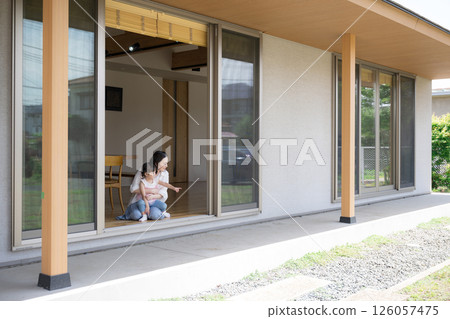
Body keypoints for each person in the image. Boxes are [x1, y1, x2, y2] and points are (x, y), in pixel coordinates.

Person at [116, 151, 181, 221]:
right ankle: (144, 213)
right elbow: (133, 189)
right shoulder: (144, 171)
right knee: (136, 215)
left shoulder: (165, 174)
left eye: (167, 163)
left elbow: (163, 192)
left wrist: (153, 196)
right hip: (140, 202)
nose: (167, 166)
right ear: (156, 163)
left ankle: (150, 213)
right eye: (164, 163)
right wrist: (150, 191)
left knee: (155, 215)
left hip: (154, 202)